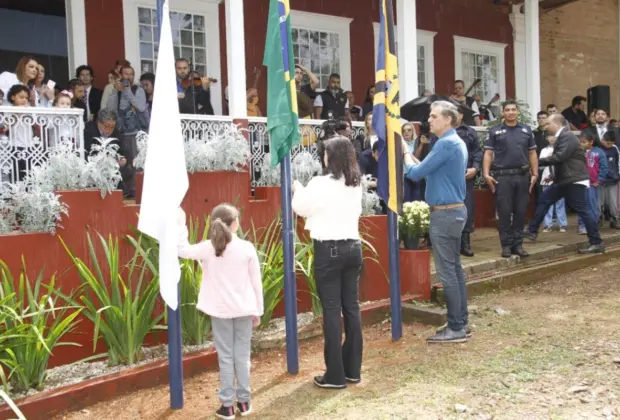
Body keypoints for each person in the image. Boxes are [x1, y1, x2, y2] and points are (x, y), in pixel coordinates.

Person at [176, 203, 263, 419]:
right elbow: (256, 283)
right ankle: (244, 403)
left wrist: (180, 223)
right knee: (242, 356)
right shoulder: (247, 248)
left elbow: (182, 250)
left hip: (220, 312)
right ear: (234, 224)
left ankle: (227, 407)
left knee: (226, 358)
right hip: (244, 310)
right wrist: (258, 310)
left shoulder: (208, 247)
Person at [292, 136, 363, 388]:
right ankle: (353, 370)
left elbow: (300, 207)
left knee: (332, 311)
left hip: (329, 250)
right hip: (353, 248)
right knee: (352, 309)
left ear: (330, 158)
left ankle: (335, 375)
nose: (322, 157)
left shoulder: (319, 183)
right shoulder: (356, 182)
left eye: (325, 154)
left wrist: (297, 188)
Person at [403, 100, 470, 343]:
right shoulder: (454, 142)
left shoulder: (446, 144)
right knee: (455, 269)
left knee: (448, 271)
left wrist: (403, 153)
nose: (428, 121)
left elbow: (415, 173)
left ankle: (456, 326)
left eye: (433, 117)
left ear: (448, 120)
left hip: (445, 214)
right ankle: (461, 322)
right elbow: (425, 168)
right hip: (453, 211)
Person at [523, 114, 605, 254]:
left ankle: (596, 242)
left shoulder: (567, 137)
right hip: (565, 180)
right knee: (544, 200)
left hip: (574, 180)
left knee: (583, 211)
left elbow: (560, 157)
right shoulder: (564, 137)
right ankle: (532, 231)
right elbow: (563, 160)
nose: (546, 126)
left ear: (557, 124)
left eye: (548, 123)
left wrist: (536, 162)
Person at [482, 99, 538, 258]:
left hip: (522, 176)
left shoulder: (526, 130)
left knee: (521, 211)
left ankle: (518, 244)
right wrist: (486, 174)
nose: (511, 112)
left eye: (513, 109)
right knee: (505, 212)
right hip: (503, 177)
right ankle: (506, 245)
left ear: (517, 112)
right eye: (507, 110)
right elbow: (488, 153)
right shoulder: (494, 131)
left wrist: (535, 174)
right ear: (503, 113)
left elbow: (532, 153)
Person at [455, 106, 482, 257]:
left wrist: (475, 168)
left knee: (467, 209)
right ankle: (453, 243)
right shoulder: (442, 131)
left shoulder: (470, 132)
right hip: (448, 178)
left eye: (456, 112)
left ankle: (465, 243)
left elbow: (478, 152)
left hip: (466, 176)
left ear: (461, 114)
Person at [578, 132, 607, 234]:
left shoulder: (599, 152)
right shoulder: (578, 152)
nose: (582, 144)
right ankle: (582, 225)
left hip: (592, 183)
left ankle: (592, 225)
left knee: (592, 205)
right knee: (581, 204)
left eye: (584, 142)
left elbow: (604, 168)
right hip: (580, 182)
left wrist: (599, 180)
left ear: (591, 142)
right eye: (580, 142)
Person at [539, 136, 568, 232]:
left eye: (554, 136)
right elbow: (540, 164)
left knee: (560, 202)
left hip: (559, 177)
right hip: (547, 177)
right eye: (550, 136)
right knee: (547, 201)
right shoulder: (544, 150)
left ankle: (562, 224)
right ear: (547, 138)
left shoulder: (562, 149)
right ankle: (547, 224)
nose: (552, 139)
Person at [599, 130, 620, 228]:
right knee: (600, 202)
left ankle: (614, 219)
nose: (608, 145)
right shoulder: (597, 149)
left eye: (610, 143)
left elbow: (618, 163)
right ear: (602, 140)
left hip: (613, 180)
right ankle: (599, 219)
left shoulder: (615, 149)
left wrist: (618, 175)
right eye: (606, 143)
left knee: (612, 202)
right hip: (600, 180)